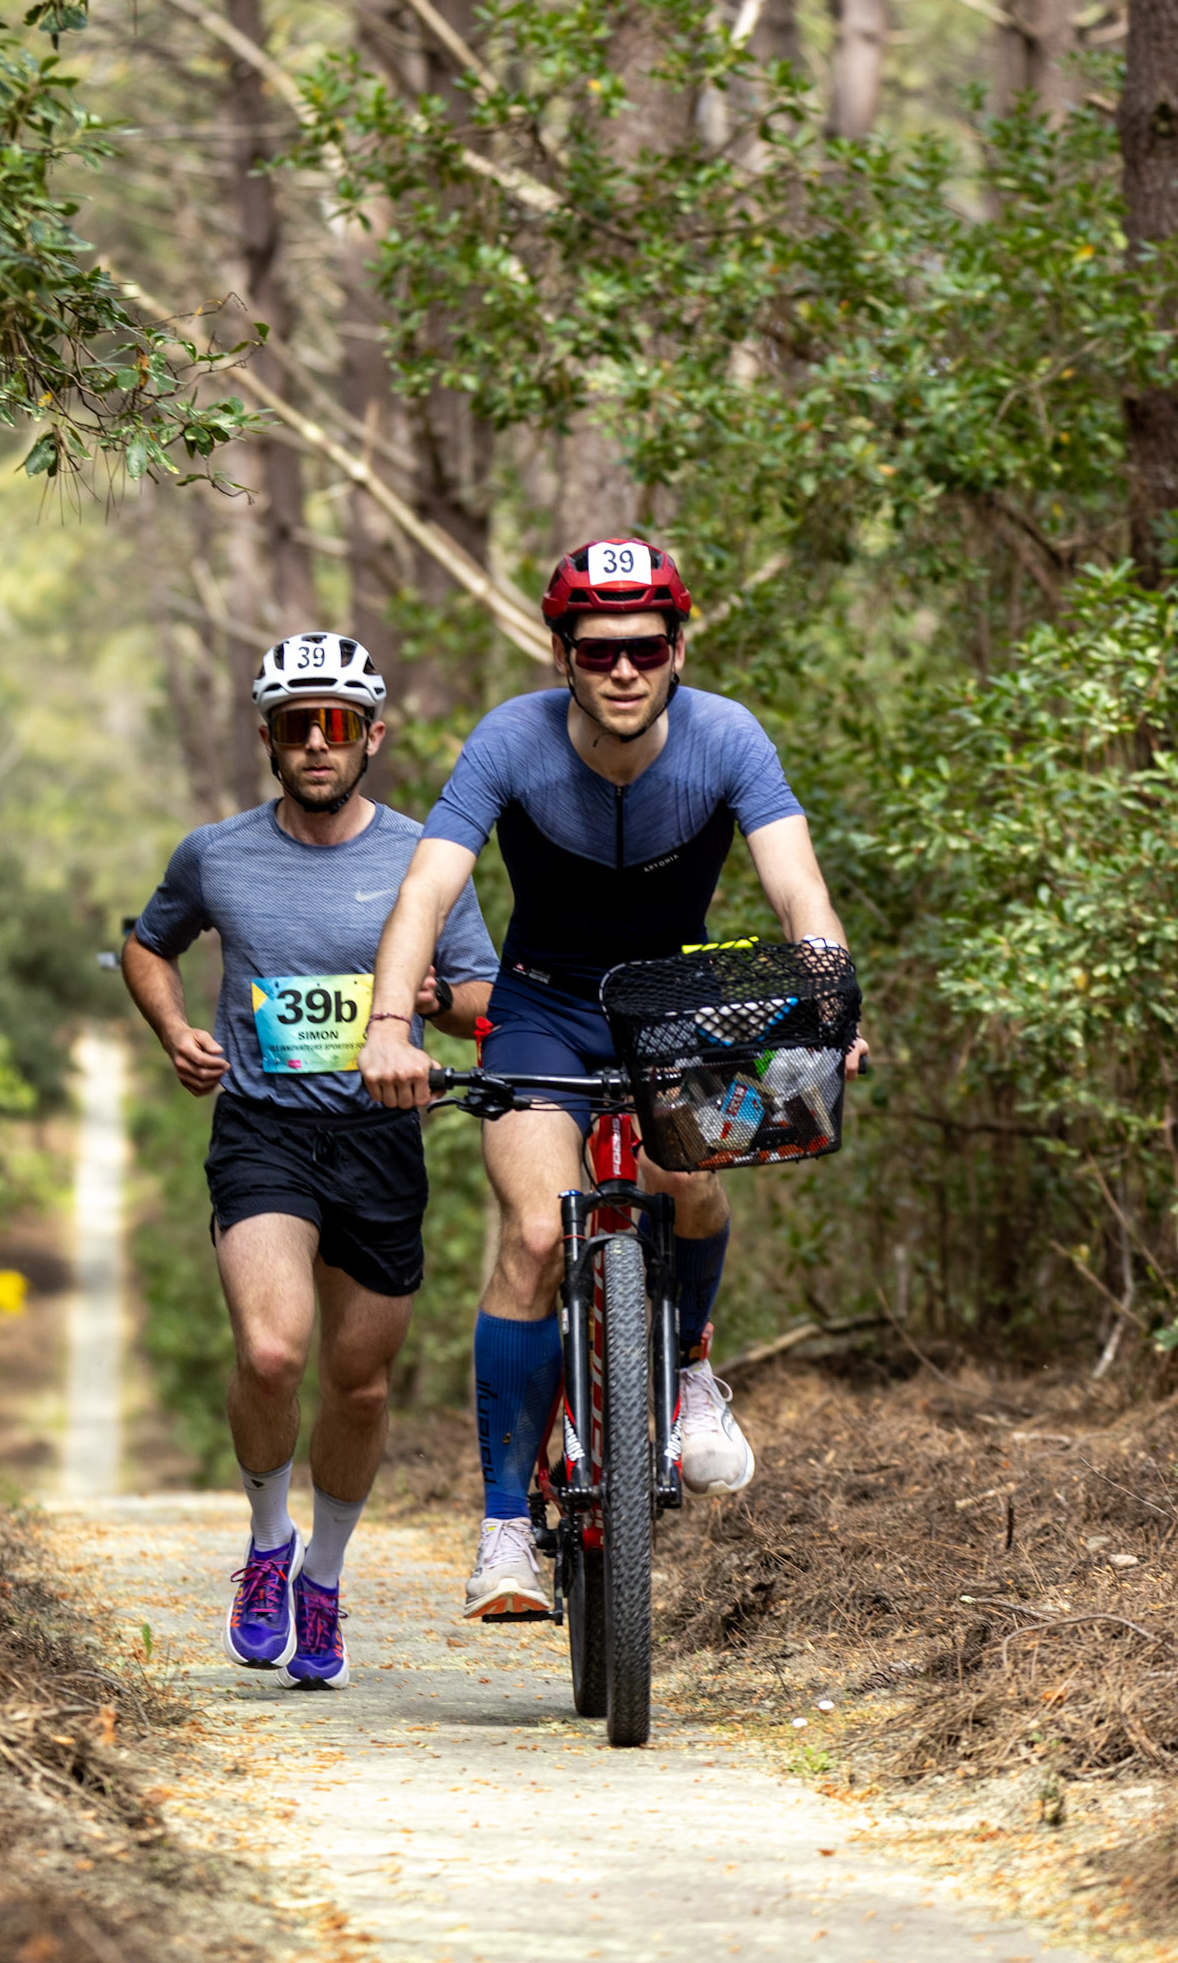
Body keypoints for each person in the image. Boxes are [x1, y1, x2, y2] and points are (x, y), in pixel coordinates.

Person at [358, 540, 869, 1618]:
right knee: (535, 1235)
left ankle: (690, 1372)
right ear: (563, 656)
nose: (623, 669)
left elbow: (798, 890)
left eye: (645, 646)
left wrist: (830, 1007)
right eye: (598, 650)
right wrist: (390, 1024)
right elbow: (424, 893)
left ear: (678, 648)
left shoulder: (727, 737)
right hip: (540, 1008)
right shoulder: (511, 738)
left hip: (674, 1010)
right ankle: (505, 1528)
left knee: (689, 1177)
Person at [123, 632, 498, 1682]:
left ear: (373, 736)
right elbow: (148, 945)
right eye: (299, 726)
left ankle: (321, 1579)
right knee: (272, 1352)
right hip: (264, 1130)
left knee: (360, 1385)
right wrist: (174, 1031)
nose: (319, 744)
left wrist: (434, 1000)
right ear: (269, 740)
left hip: (380, 1138)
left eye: (339, 725)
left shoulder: (425, 858)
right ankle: (266, 1543)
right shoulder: (216, 854)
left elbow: (481, 993)